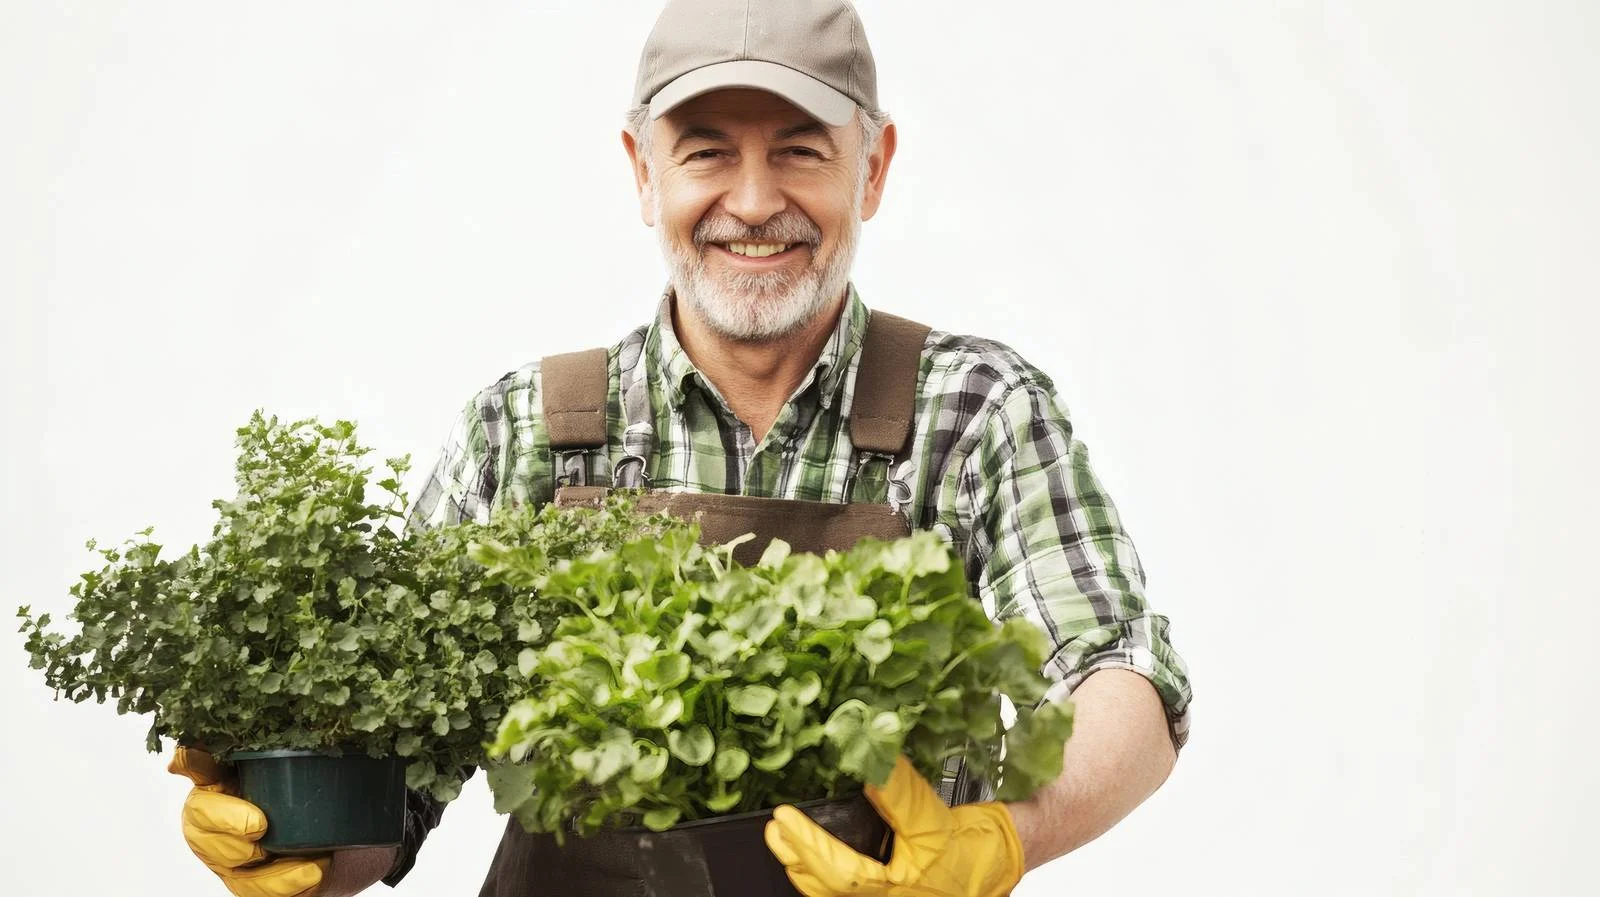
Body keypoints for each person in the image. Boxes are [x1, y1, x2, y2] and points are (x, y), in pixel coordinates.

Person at [167, 2, 1192, 895]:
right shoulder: (523, 432)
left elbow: (1119, 675)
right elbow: (396, 784)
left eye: (800, 148)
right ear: (642, 171)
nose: (752, 203)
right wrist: (293, 842)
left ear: (871, 168)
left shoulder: (972, 411)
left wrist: (999, 840)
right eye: (706, 150)